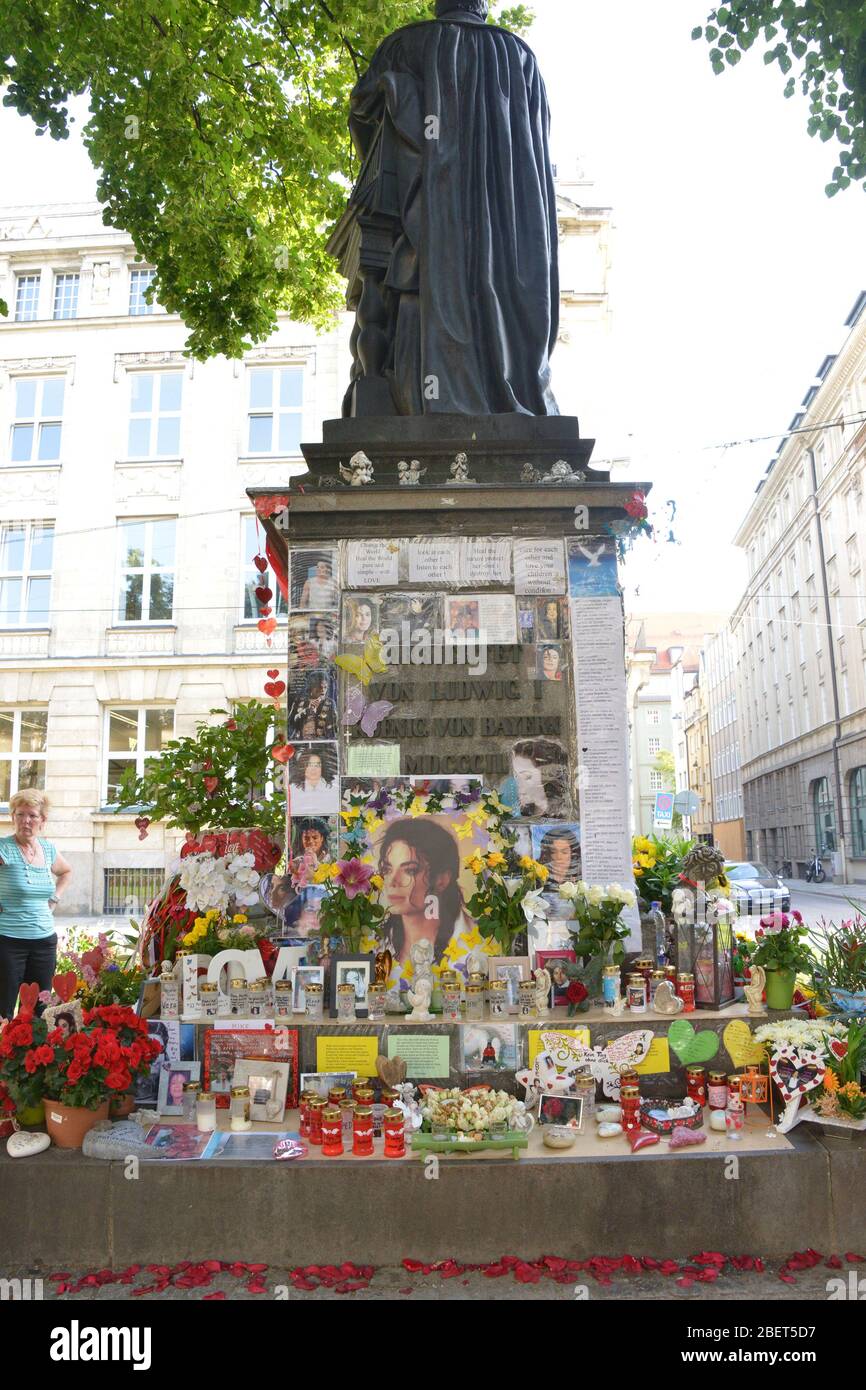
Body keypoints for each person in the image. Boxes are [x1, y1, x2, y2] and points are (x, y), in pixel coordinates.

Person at [0, 790, 73, 1020]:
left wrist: (54, 899)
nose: (25, 821)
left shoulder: (48, 849)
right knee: (4, 1007)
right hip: (8, 941)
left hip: (43, 942)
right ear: (13, 817)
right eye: (20, 815)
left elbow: (66, 872)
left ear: (43, 820)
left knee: (40, 1009)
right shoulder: (4, 848)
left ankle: (33, 1055)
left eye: (32, 815)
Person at [378, 818, 471, 966]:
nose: (392, 881)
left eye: (410, 870)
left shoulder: (477, 943)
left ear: (442, 880)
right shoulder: (376, 944)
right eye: (387, 870)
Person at [509, 738, 569, 817]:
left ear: (548, 776)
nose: (519, 785)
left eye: (527, 776)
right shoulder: (522, 814)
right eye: (516, 777)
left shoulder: (566, 817)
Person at [289, 749, 338, 813]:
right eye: (310, 765)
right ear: (303, 767)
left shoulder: (333, 787)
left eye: (317, 765)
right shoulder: (292, 789)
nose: (313, 769)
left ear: (322, 767)